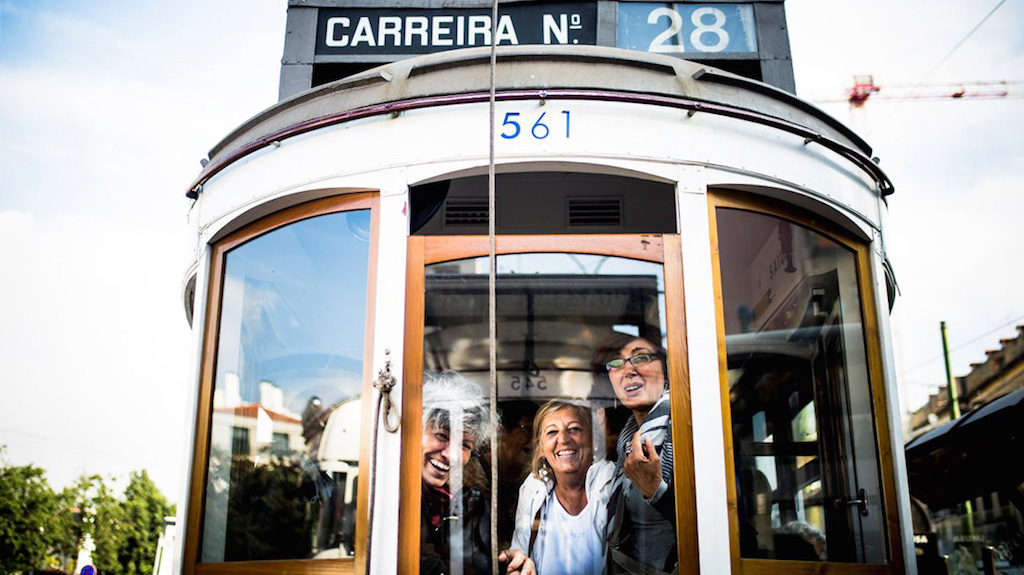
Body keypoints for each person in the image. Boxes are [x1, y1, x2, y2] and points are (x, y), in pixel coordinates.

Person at [593, 333, 678, 575]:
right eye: (616, 363)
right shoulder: (626, 442)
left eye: (640, 357)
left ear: (665, 368)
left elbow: (715, 528)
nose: (628, 370)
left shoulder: (685, 427)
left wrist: (655, 490)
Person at [503, 400, 614, 575]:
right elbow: (520, 552)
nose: (563, 439)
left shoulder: (612, 483)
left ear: (593, 441)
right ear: (540, 448)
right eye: (552, 432)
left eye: (574, 429)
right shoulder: (532, 490)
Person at [419, 371, 493, 575]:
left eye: (464, 445)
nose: (452, 456)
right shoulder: (394, 492)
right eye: (442, 435)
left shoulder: (469, 502)